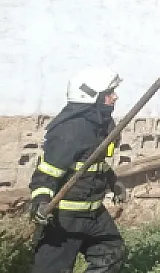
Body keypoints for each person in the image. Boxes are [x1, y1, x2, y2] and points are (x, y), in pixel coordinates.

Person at [28, 66, 128, 273]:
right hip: (63, 219)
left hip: (93, 214)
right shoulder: (71, 129)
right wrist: (40, 203)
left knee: (111, 254)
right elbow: (45, 174)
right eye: (109, 93)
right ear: (92, 96)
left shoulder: (101, 125)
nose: (115, 97)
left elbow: (91, 163)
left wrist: (113, 181)